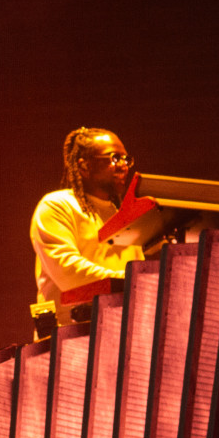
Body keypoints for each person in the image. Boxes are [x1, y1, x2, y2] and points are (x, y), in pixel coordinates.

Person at [29, 127, 168, 332]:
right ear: (84, 166)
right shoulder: (57, 205)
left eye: (125, 159)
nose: (123, 166)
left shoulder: (125, 216)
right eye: (114, 158)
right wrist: (133, 280)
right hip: (70, 340)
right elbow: (70, 273)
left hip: (123, 334)